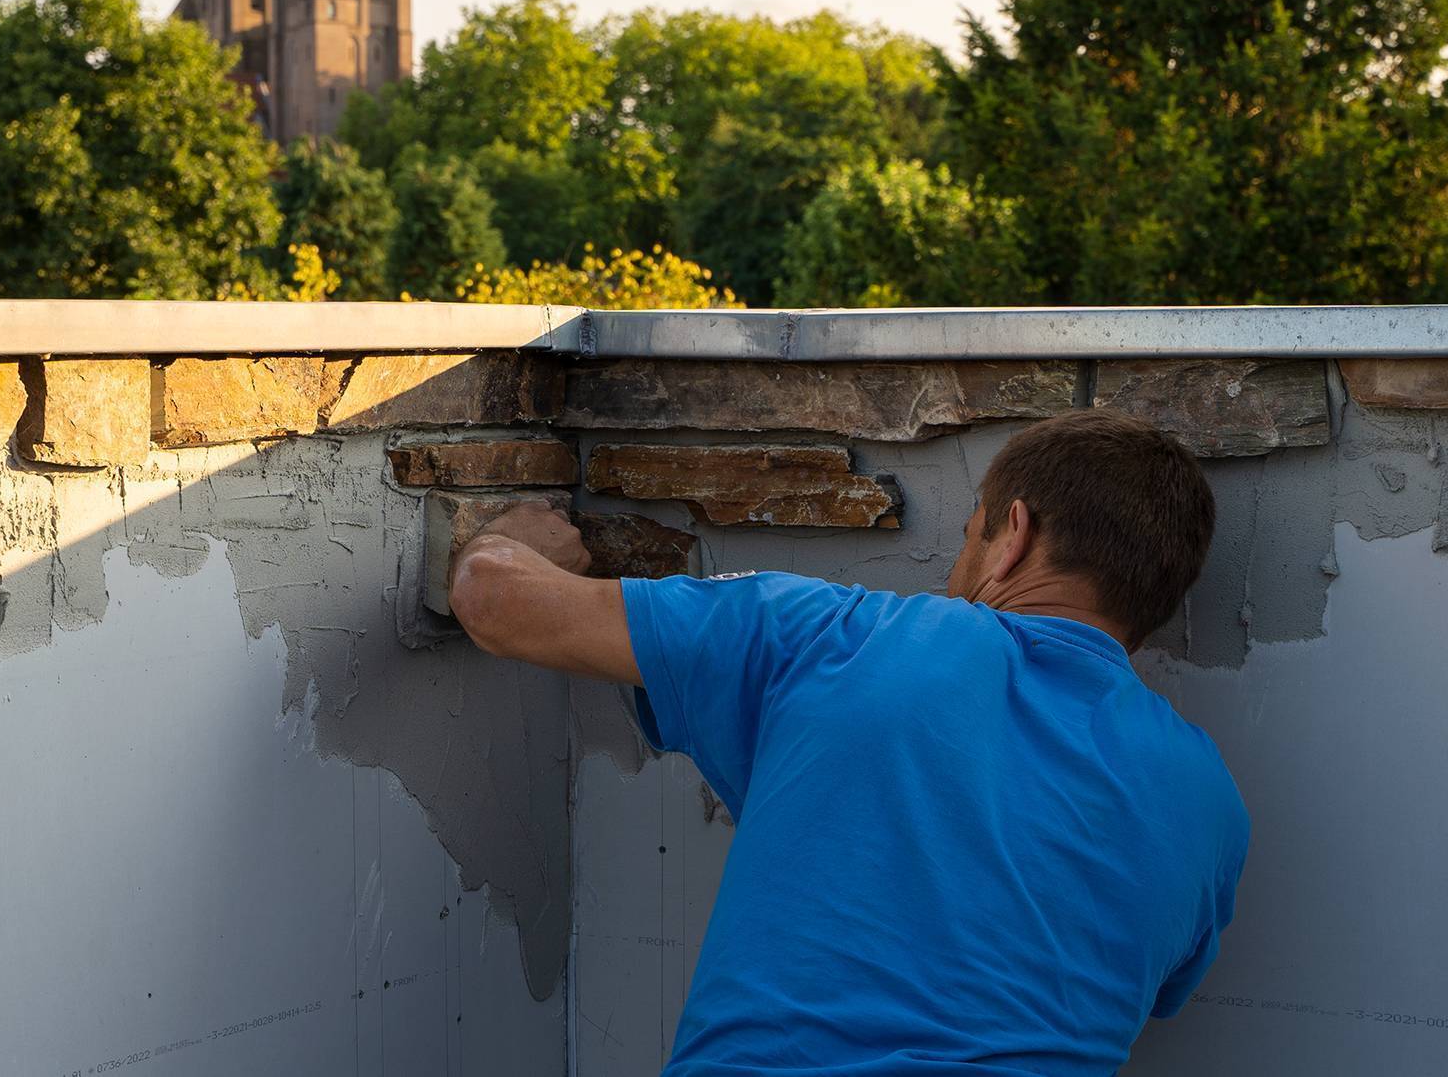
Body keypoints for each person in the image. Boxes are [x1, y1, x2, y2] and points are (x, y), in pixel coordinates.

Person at [448, 408, 1248, 1076]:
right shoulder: (1210, 803)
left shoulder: (840, 635)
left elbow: (495, 601)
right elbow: (1157, 993)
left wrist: (515, 541)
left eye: (968, 537)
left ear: (1013, 535)